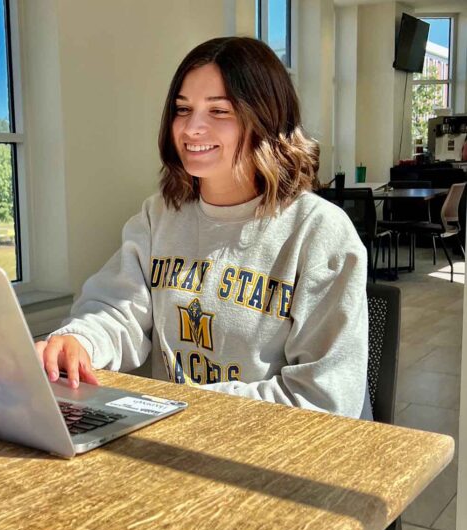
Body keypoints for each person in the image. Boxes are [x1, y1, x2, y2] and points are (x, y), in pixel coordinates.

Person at [35, 37, 368, 418]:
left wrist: (186, 407)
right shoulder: (158, 216)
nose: (192, 128)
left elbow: (324, 399)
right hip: (178, 437)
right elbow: (117, 310)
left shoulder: (320, 233)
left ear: (265, 117)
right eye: (183, 109)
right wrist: (79, 341)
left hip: (277, 455)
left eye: (219, 111)